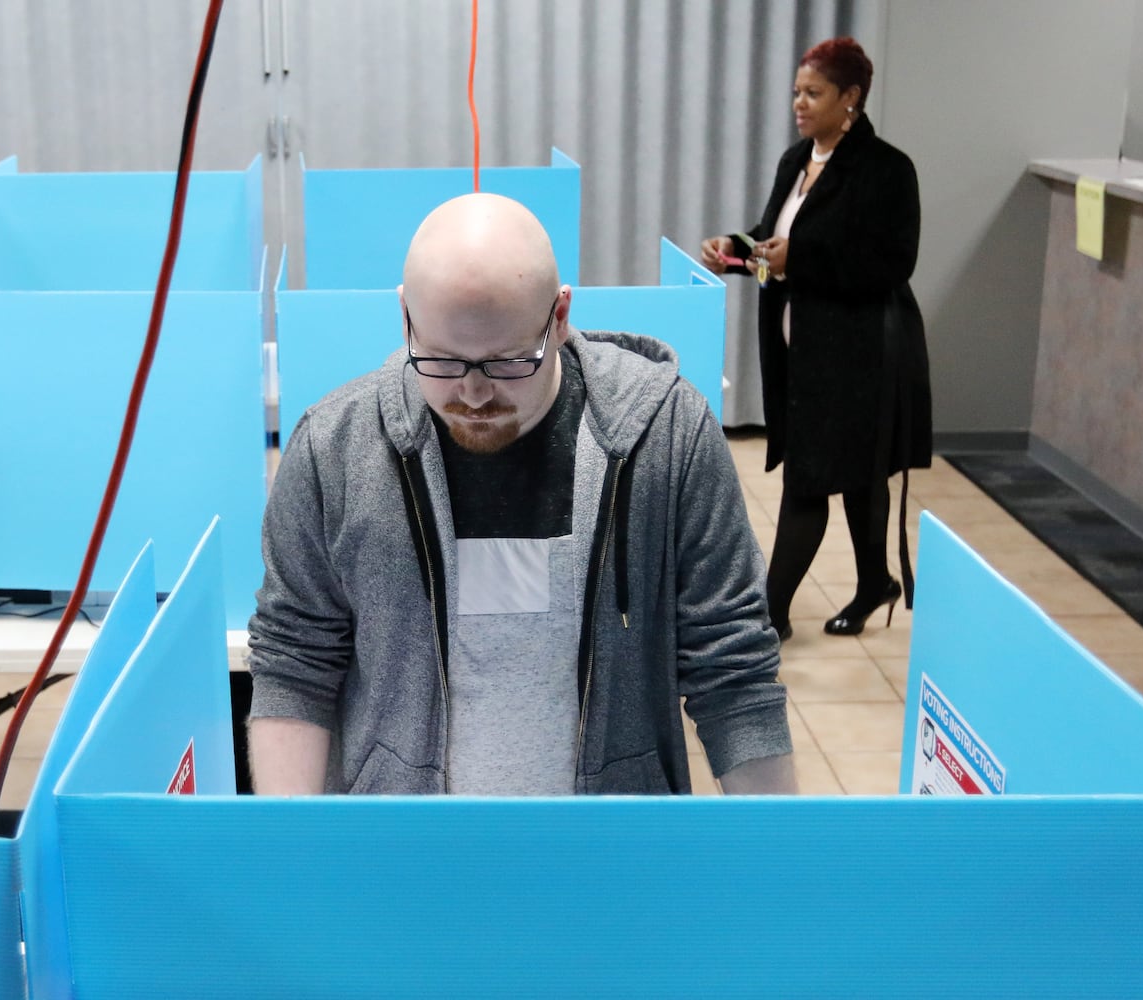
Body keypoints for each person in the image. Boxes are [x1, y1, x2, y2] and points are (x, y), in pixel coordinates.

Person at [246, 192, 796, 796]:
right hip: (404, 857)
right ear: (406, 319)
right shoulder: (335, 449)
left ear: (560, 317)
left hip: (608, 859)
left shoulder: (667, 437)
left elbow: (734, 671)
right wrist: (289, 860)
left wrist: (772, 863)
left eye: (509, 362)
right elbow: (295, 663)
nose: (475, 394)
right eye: (444, 360)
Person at [700, 36, 932, 642]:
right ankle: (875, 582)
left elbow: (891, 264)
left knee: (810, 480)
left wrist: (799, 258)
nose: (799, 103)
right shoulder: (794, 160)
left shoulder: (887, 171)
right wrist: (735, 249)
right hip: (800, 353)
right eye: (796, 92)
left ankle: (767, 614)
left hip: (860, 354)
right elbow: (772, 238)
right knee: (858, 474)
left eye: (813, 93)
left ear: (850, 98)